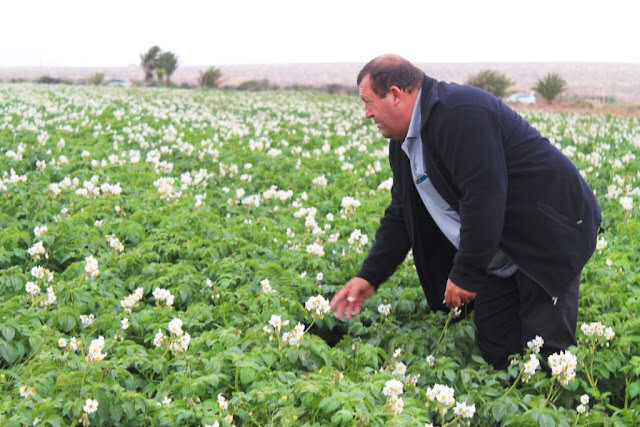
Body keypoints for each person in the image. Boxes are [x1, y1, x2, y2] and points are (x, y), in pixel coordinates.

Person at [329, 54, 601, 369]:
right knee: (497, 345)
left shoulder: (459, 113)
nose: (366, 114)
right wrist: (369, 276)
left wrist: (466, 273)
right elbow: (401, 213)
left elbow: (484, 196)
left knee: (548, 352)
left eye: (368, 102)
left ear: (394, 94)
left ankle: (561, 412)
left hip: (547, 231)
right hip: (498, 245)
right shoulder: (404, 144)